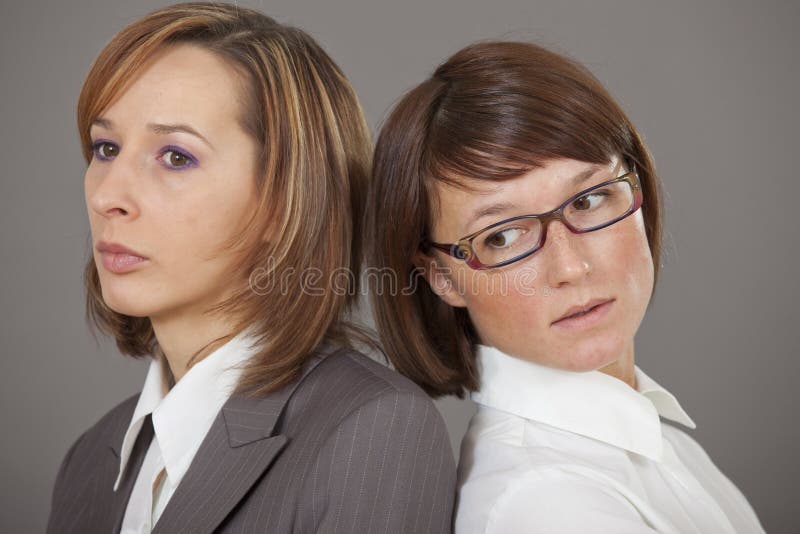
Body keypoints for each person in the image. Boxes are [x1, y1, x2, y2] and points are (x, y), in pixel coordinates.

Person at [46, 3, 455, 533]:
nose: (108, 196)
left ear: (287, 199)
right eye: (106, 147)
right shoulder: (90, 459)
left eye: (175, 157)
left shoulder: (375, 430)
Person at [365, 40, 765, 533]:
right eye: (502, 236)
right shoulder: (546, 503)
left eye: (589, 200)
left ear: (636, 186)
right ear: (443, 277)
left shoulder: (655, 442)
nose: (570, 267)